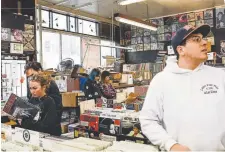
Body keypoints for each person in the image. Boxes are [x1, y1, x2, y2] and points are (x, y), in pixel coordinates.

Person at [140, 25, 225, 151]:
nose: (204, 42)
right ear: (181, 50)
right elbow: (148, 120)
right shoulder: (161, 80)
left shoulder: (220, 76)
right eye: (196, 39)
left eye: (203, 38)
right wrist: (171, 145)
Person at [24, 61, 62, 134]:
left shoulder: (50, 84)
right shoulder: (32, 84)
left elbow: (57, 107)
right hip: (37, 127)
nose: (31, 78)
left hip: (50, 127)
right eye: (29, 77)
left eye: (32, 75)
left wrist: (49, 123)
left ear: (39, 71)